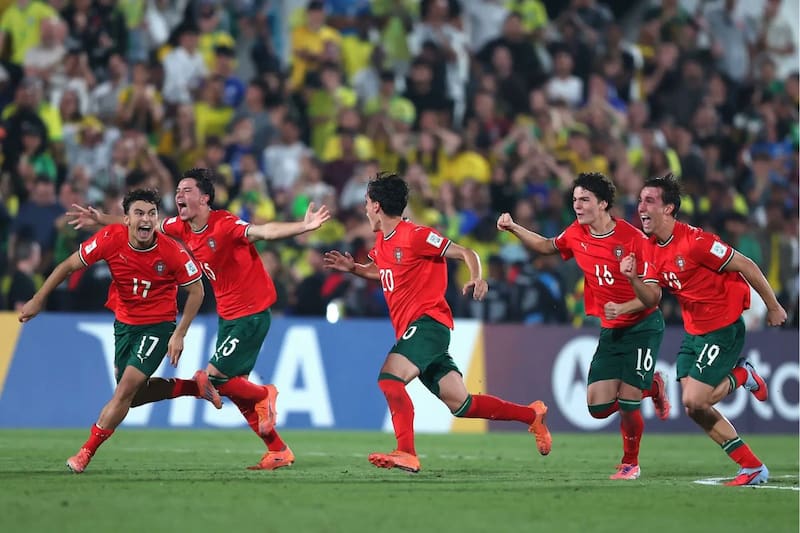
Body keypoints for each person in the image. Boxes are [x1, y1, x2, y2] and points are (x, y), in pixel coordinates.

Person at [68, 168, 331, 471]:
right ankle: (278, 449)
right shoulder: (181, 226)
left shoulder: (225, 225)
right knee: (232, 388)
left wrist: (303, 226)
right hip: (228, 315)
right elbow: (144, 223)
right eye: (178, 190)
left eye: (187, 190)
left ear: (205, 198)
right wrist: (100, 219)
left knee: (215, 378)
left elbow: (263, 231)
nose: (179, 195)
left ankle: (265, 393)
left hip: (251, 313)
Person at [324, 172, 551, 473]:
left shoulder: (416, 235)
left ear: (377, 206)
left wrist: (477, 278)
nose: (364, 209)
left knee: (390, 379)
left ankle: (406, 452)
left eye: (366, 203)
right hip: (415, 331)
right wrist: (354, 268)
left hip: (428, 324)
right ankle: (531, 415)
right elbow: (384, 272)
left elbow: (465, 252)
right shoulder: (382, 243)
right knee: (462, 404)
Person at [496, 172, 671, 480]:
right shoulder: (577, 233)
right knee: (598, 407)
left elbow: (654, 297)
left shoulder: (633, 239)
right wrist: (513, 228)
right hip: (612, 328)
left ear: (603, 204)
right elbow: (546, 246)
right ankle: (653, 386)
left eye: (585, 200)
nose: (577, 205)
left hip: (643, 325)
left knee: (628, 402)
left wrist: (628, 296)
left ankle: (630, 462)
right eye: (575, 199)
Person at [19, 189, 205, 473]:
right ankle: (194, 386)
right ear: (126, 220)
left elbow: (197, 291)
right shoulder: (110, 238)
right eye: (139, 213)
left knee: (125, 390)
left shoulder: (172, 251)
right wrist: (39, 298)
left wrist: (179, 333)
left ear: (157, 218)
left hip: (158, 325)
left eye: (152, 214)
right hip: (125, 324)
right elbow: (68, 265)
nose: (146, 219)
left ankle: (85, 453)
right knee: (134, 395)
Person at [621, 174, 787, 486]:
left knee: (697, 400)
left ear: (669, 208)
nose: (641, 207)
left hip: (723, 328)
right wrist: (633, 280)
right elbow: (653, 297)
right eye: (641, 200)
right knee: (692, 406)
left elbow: (747, 265)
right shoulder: (651, 247)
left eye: (649, 201)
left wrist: (774, 306)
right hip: (694, 331)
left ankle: (742, 376)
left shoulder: (696, 243)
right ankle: (751, 466)